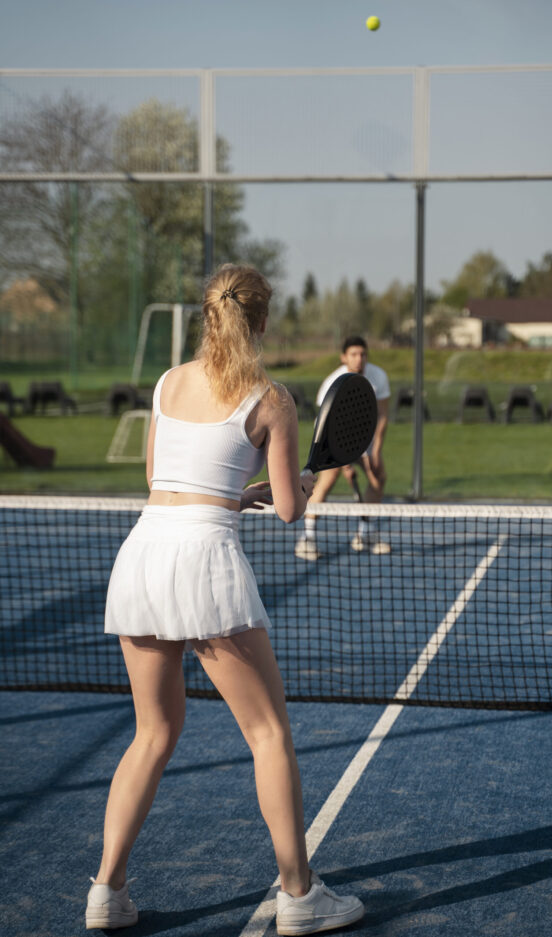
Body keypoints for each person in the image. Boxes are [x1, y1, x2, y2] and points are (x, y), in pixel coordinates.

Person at [85, 265, 364, 936]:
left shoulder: (166, 382)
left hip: (144, 552)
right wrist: (282, 484)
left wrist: (246, 490)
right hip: (203, 557)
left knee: (151, 733)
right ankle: (298, 896)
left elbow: (164, 479)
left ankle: (105, 891)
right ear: (261, 321)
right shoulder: (271, 398)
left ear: (205, 317)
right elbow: (294, 511)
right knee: (267, 733)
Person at [295, 336, 391, 561]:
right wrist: (345, 463)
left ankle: (365, 533)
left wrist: (376, 450)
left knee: (379, 478)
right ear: (344, 357)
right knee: (327, 481)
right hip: (334, 441)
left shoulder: (378, 377)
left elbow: (383, 415)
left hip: (364, 441)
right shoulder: (332, 383)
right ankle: (307, 538)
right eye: (354, 354)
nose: (359, 359)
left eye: (363, 354)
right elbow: (327, 425)